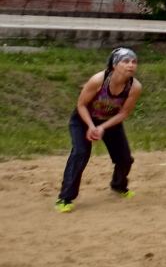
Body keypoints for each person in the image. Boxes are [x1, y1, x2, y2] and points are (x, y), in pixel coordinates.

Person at [55, 47, 143, 213]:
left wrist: (102, 127)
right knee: (80, 154)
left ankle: (118, 186)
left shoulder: (135, 87)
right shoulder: (98, 80)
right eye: (126, 61)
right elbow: (81, 105)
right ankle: (65, 198)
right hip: (83, 120)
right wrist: (91, 126)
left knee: (125, 158)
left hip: (109, 122)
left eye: (134, 62)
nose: (131, 65)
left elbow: (123, 113)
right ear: (114, 65)